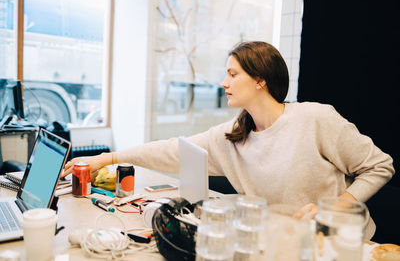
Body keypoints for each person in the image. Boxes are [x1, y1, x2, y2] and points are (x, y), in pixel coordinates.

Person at [63, 41, 394, 239]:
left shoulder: (315, 119)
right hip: (285, 245)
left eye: (233, 74)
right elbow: (170, 150)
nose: (223, 83)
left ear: (261, 79)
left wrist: (338, 204)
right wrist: (106, 158)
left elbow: (380, 167)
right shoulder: (232, 136)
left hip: (343, 244)